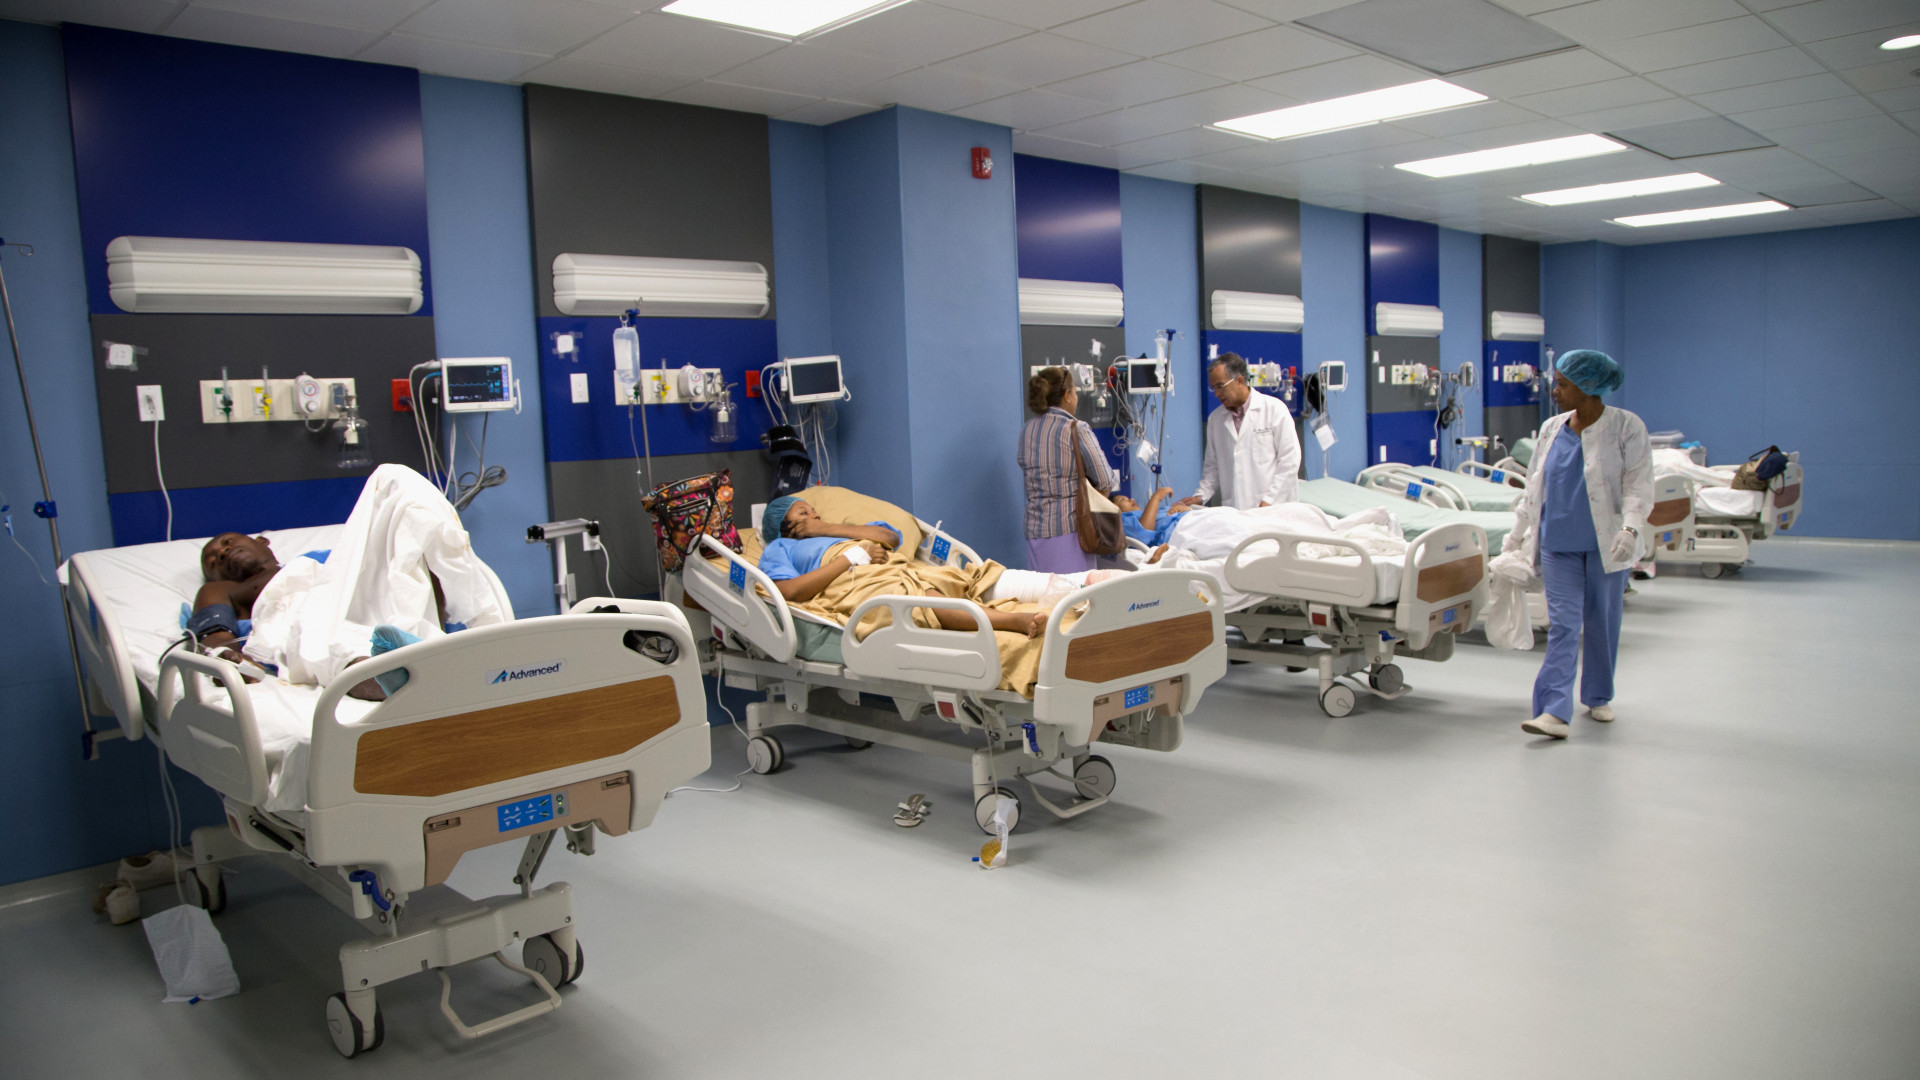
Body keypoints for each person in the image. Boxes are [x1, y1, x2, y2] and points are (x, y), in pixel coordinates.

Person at [1508, 349, 1653, 740]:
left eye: (1562, 385)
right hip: (1558, 543)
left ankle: (1598, 695)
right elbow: (1533, 487)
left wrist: (1631, 529)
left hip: (1608, 544)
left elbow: (1638, 483)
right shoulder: (1552, 428)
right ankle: (1553, 711)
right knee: (1564, 626)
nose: (1554, 391)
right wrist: (1515, 536)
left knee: (1602, 622)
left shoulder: (1626, 426)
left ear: (1589, 387)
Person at [755, 495, 1084, 637]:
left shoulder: (836, 530)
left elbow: (889, 537)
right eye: (803, 513)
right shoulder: (780, 548)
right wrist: (850, 558)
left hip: (891, 566)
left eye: (814, 511)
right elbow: (790, 591)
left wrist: (825, 529)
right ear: (784, 526)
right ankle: (1013, 622)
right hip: (853, 581)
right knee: (922, 599)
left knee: (970, 575)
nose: (813, 515)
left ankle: (1079, 590)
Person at [1173, 353, 1301, 514]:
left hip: (1274, 509)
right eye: (1213, 388)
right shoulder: (1215, 420)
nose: (1216, 393)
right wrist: (1201, 496)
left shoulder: (1274, 409)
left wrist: (1270, 500)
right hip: (1236, 510)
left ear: (1239, 381)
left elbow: (1290, 460)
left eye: (1220, 386)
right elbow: (1212, 467)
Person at [1017, 366, 1116, 574]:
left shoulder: (1027, 429)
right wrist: (1092, 508)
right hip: (1070, 532)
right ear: (1067, 395)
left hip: (1035, 532)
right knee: (1075, 593)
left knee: (1043, 592)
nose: (1076, 397)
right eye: (1076, 392)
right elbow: (1106, 480)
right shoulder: (1076, 429)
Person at [1112, 486, 1185, 549]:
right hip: (1180, 529)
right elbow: (1142, 536)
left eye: (1129, 498)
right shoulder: (1121, 520)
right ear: (1115, 507)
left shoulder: (1148, 512)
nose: (1132, 500)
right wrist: (1156, 497)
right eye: (1123, 500)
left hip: (1187, 519)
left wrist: (1183, 507)